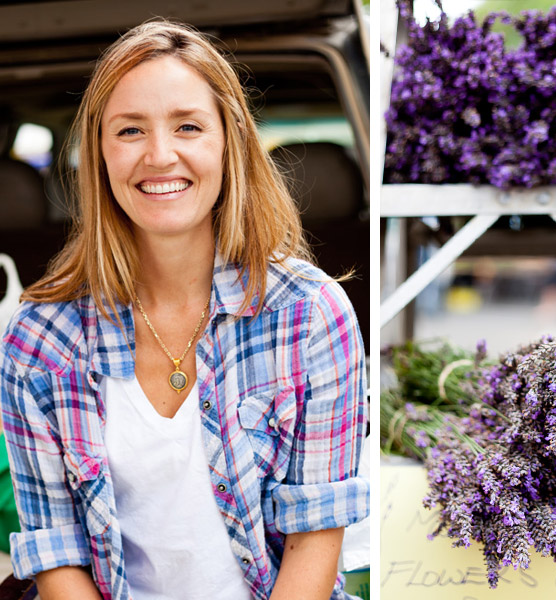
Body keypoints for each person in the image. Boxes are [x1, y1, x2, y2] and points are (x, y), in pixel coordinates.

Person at [0, 20, 368, 600]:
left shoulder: (311, 315)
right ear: (98, 153)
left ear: (230, 142)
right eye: (129, 130)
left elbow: (314, 538)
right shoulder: (39, 338)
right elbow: (55, 550)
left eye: (188, 126)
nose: (160, 155)